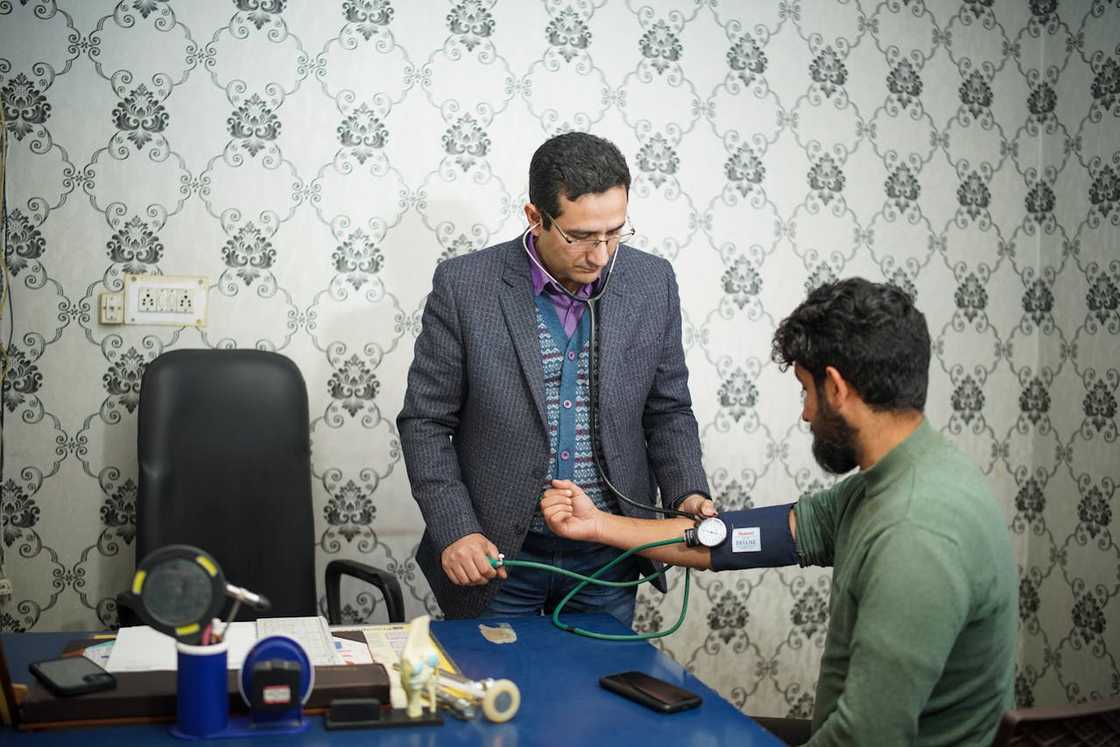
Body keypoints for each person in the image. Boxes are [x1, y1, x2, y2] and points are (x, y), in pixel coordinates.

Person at [541, 278, 1017, 746]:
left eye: (806, 391)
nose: (807, 414)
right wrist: (598, 524)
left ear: (836, 388)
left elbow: (866, 737)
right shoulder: (901, 478)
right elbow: (738, 539)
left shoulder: (915, 530)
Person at [398, 132, 713, 625]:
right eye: (581, 236)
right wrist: (456, 529)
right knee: (493, 675)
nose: (600, 254)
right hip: (499, 554)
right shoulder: (465, 286)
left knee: (599, 675)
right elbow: (425, 422)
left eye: (614, 232)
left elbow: (668, 410)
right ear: (535, 217)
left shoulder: (653, 282)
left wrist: (687, 493)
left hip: (610, 552)